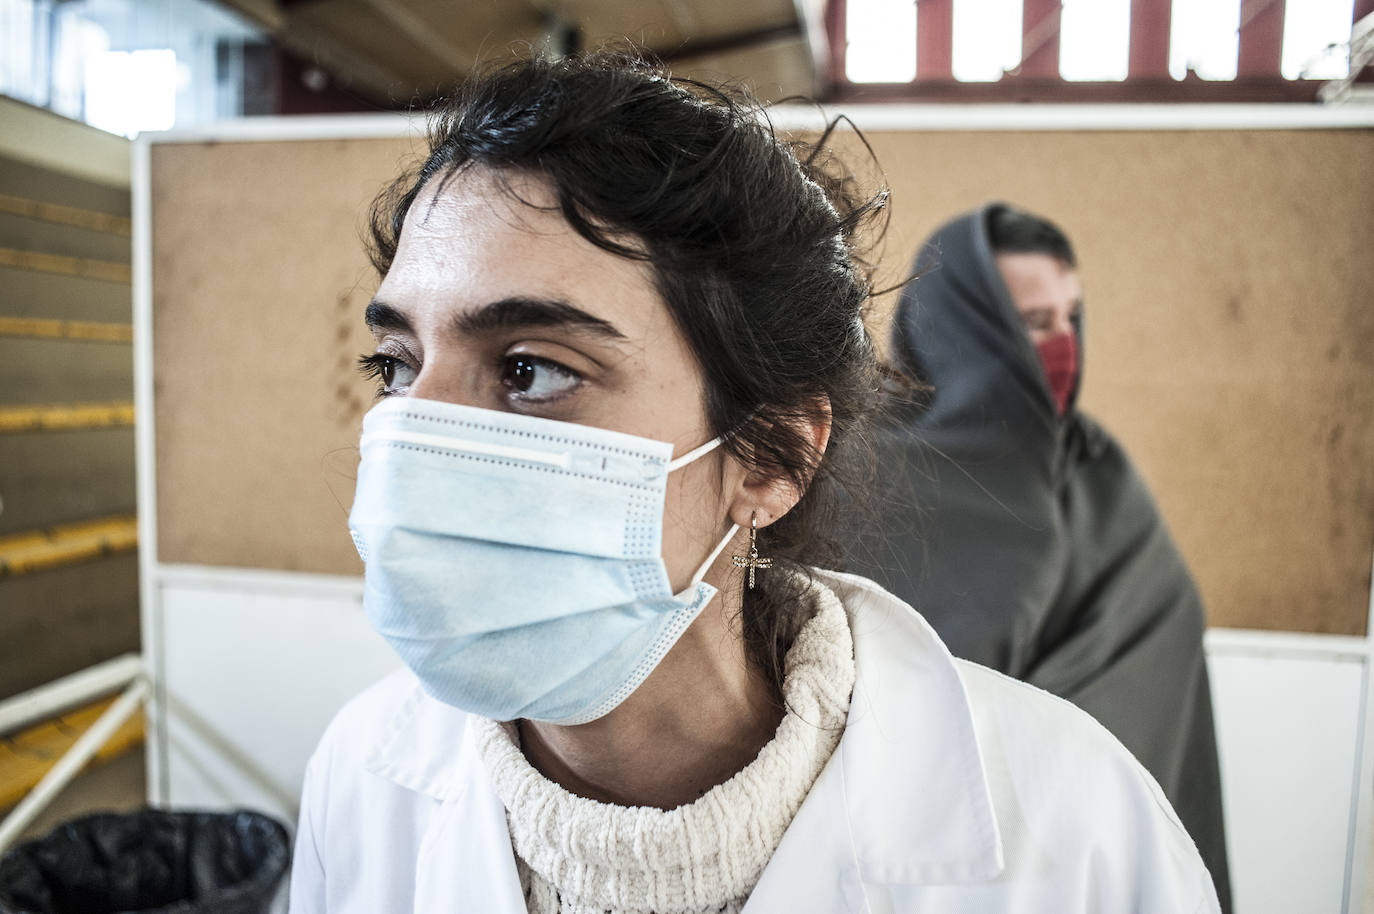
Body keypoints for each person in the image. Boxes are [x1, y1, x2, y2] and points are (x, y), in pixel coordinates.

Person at [288, 53, 1221, 913]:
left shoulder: (1078, 831)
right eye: (397, 366)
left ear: (773, 456)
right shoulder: (361, 780)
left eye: (531, 369)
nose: (419, 436)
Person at [845, 203, 1231, 910]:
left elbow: (1156, 651)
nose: (1062, 346)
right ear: (961, 325)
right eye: (1031, 321)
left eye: (1070, 319)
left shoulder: (1097, 474)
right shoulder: (859, 476)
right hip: (883, 869)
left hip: (1074, 864)